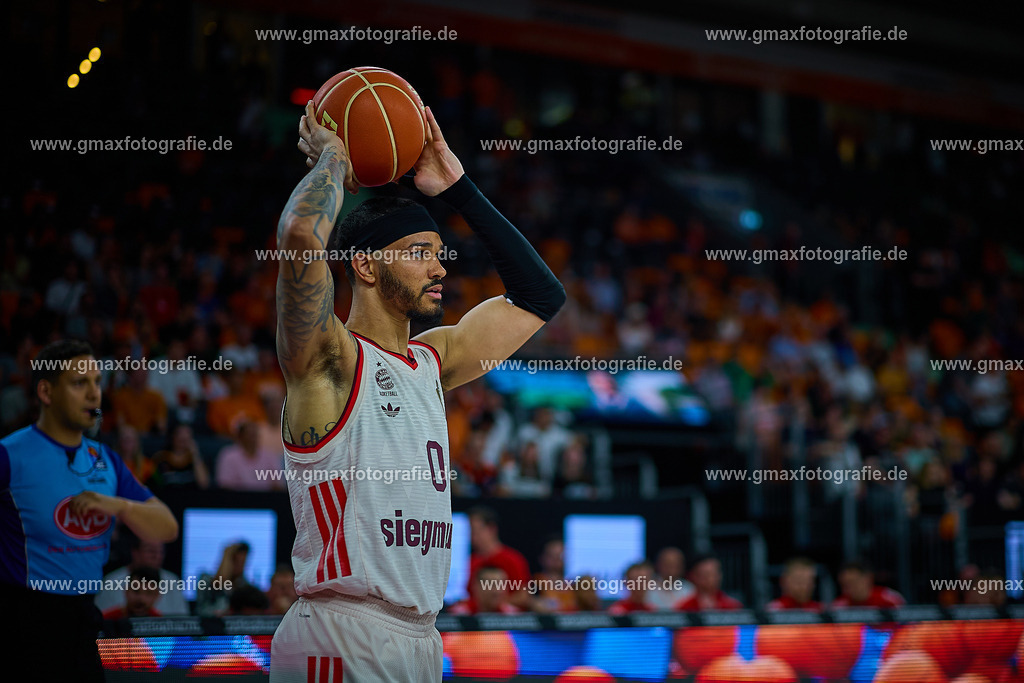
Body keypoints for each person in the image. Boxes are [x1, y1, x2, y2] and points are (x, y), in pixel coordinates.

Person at [269, 101, 565, 683]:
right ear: (368, 267)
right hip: (341, 632)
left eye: (437, 251)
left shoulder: (434, 360)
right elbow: (302, 235)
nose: (439, 269)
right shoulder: (330, 360)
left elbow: (540, 296)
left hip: (421, 636)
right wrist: (334, 158)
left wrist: (456, 187)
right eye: (418, 252)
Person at [0, 339, 179, 683]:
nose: (94, 395)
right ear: (47, 393)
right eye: (80, 383)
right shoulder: (11, 455)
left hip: (83, 621)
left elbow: (166, 528)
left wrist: (117, 505)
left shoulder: (106, 459)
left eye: (97, 382)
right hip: (24, 623)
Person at [94, 531, 189, 615]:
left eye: (160, 552)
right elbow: (101, 623)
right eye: (151, 551)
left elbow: (183, 623)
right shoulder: (112, 581)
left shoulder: (173, 581)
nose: (157, 556)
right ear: (135, 552)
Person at [466, 506, 532, 610]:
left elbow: (524, 596)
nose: (471, 535)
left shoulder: (512, 559)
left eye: (475, 530)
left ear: (491, 528)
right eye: (468, 531)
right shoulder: (469, 562)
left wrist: (492, 602)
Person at [215, 419, 284, 491]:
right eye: (249, 434)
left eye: (254, 434)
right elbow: (225, 485)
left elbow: (278, 486)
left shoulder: (270, 456)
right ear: (240, 436)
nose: (252, 438)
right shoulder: (228, 456)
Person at [197, 540, 249, 616]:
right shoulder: (205, 580)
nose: (240, 566)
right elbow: (220, 582)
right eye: (235, 561)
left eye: (243, 562)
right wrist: (227, 554)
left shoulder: (244, 585)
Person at [674, 554, 743, 611]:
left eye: (715, 573)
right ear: (694, 576)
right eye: (706, 574)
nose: (712, 578)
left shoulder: (733, 606)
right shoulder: (685, 607)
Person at [830, 560, 906, 608]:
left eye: (852, 582)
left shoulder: (889, 599)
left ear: (868, 579)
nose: (847, 589)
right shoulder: (839, 605)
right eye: (844, 584)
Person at [449, 565, 520, 615]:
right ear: (475, 586)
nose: (497, 591)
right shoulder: (457, 615)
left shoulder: (514, 615)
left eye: (501, 584)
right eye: (490, 585)